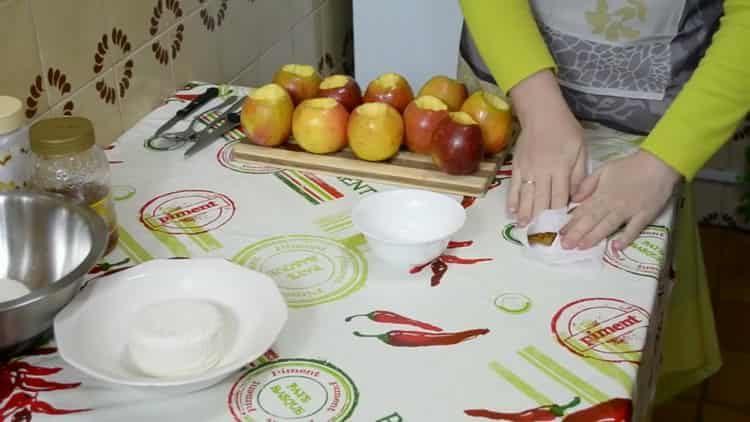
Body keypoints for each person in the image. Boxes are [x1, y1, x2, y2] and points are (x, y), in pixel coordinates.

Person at [458, 0, 750, 405]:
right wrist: (538, 107)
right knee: (477, 325)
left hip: (653, 138)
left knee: (609, 352)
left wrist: (662, 162)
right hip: (509, 94)